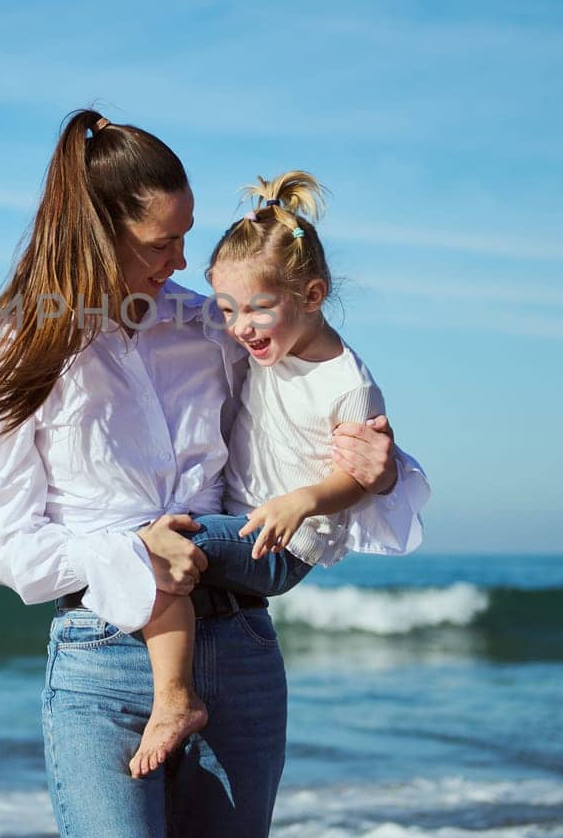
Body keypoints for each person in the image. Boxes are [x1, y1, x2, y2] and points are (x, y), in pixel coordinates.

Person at [0, 110, 429, 837]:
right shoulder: (9, 354)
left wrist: (381, 467)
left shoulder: (210, 329)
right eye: (161, 242)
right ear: (95, 229)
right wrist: (131, 551)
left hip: (240, 652)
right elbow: (8, 550)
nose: (181, 261)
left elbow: (308, 407)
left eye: (186, 235)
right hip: (104, 661)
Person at [129, 169, 427, 779]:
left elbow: (363, 476)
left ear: (312, 295)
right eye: (229, 309)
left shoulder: (346, 384)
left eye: (257, 309)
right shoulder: (265, 344)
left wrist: (304, 501)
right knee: (173, 548)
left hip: (286, 543)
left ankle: (175, 702)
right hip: (244, 517)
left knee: (161, 543)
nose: (240, 327)